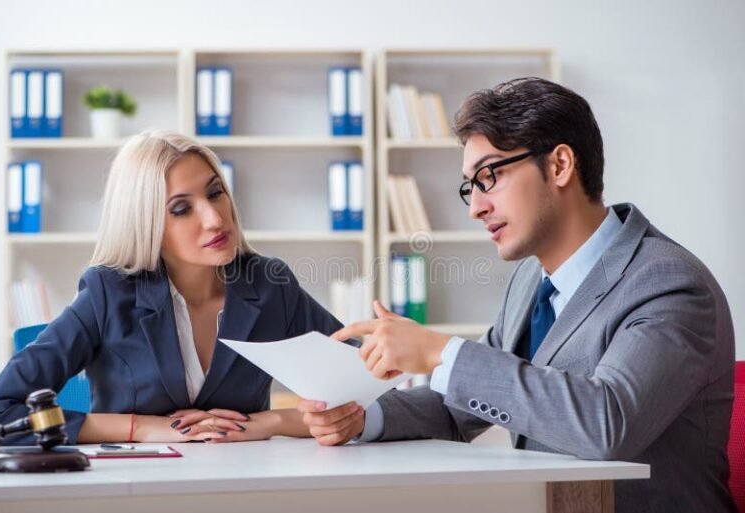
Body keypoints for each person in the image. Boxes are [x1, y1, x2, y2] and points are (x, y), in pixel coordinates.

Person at [299, 78, 736, 512]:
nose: (476, 207)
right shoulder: (531, 281)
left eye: (490, 176)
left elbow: (606, 423)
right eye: (471, 186)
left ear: (561, 165)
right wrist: (363, 417)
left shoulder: (668, 284)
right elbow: (464, 406)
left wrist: (440, 352)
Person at [0, 130, 344, 445]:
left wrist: (271, 422)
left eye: (215, 192)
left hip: (238, 485)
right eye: (181, 209)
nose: (215, 219)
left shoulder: (268, 284)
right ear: (146, 224)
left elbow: (368, 388)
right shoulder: (109, 293)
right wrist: (141, 429)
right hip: (136, 491)